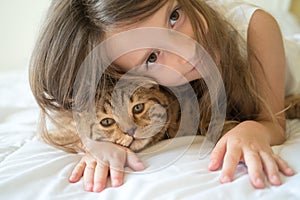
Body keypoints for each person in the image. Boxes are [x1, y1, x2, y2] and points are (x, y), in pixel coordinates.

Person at [29, 0, 297, 193]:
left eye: (174, 16)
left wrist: (252, 129)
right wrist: (96, 142)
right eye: (153, 57)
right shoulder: (146, 87)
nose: (187, 49)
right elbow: (69, 112)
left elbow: (272, 123)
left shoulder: (254, 27)